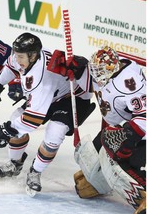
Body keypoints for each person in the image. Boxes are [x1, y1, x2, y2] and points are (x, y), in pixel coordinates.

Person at [0, 32, 95, 194]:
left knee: (54, 133)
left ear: (33, 55)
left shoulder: (40, 76)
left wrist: (6, 130)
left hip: (73, 97)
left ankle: (35, 172)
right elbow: (10, 65)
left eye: (21, 57)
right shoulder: (25, 57)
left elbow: (33, 120)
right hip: (53, 94)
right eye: (16, 55)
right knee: (15, 119)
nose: (17, 59)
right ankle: (15, 163)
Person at [57, 46, 145, 213]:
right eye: (95, 69)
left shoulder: (130, 83)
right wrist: (76, 70)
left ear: (112, 68)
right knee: (93, 159)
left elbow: (145, 117)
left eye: (99, 70)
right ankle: (100, 182)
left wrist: (127, 139)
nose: (96, 74)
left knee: (115, 158)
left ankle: (143, 192)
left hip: (140, 135)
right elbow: (93, 84)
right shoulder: (108, 74)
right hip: (121, 126)